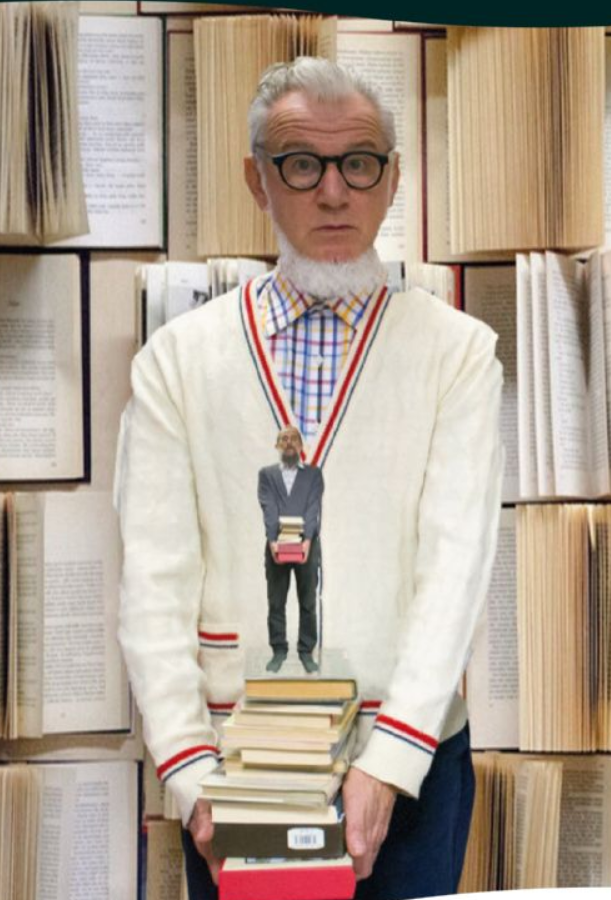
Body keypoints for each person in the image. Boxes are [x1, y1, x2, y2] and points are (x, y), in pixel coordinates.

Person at [116, 57, 502, 900]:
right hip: (236, 767)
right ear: (257, 180)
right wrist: (190, 774)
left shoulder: (459, 354)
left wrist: (390, 762)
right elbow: (153, 584)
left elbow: (457, 568)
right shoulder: (177, 362)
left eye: (358, 163)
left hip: (410, 760)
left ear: (392, 180)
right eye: (301, 164)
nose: (333, 193)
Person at [257, 425, 324, 673]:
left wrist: (307, 541)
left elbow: (313, 508)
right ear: (277, 445)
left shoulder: (313, 475)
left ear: (301, 446)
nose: (288, 443)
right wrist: (273, 541)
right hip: (277, 544)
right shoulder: (267, 475)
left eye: (294, 439)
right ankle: (279, 651)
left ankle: (306, 651)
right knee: (276, 601)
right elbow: (269, 506)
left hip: (307, 545)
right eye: (284, 439)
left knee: (308, 601)